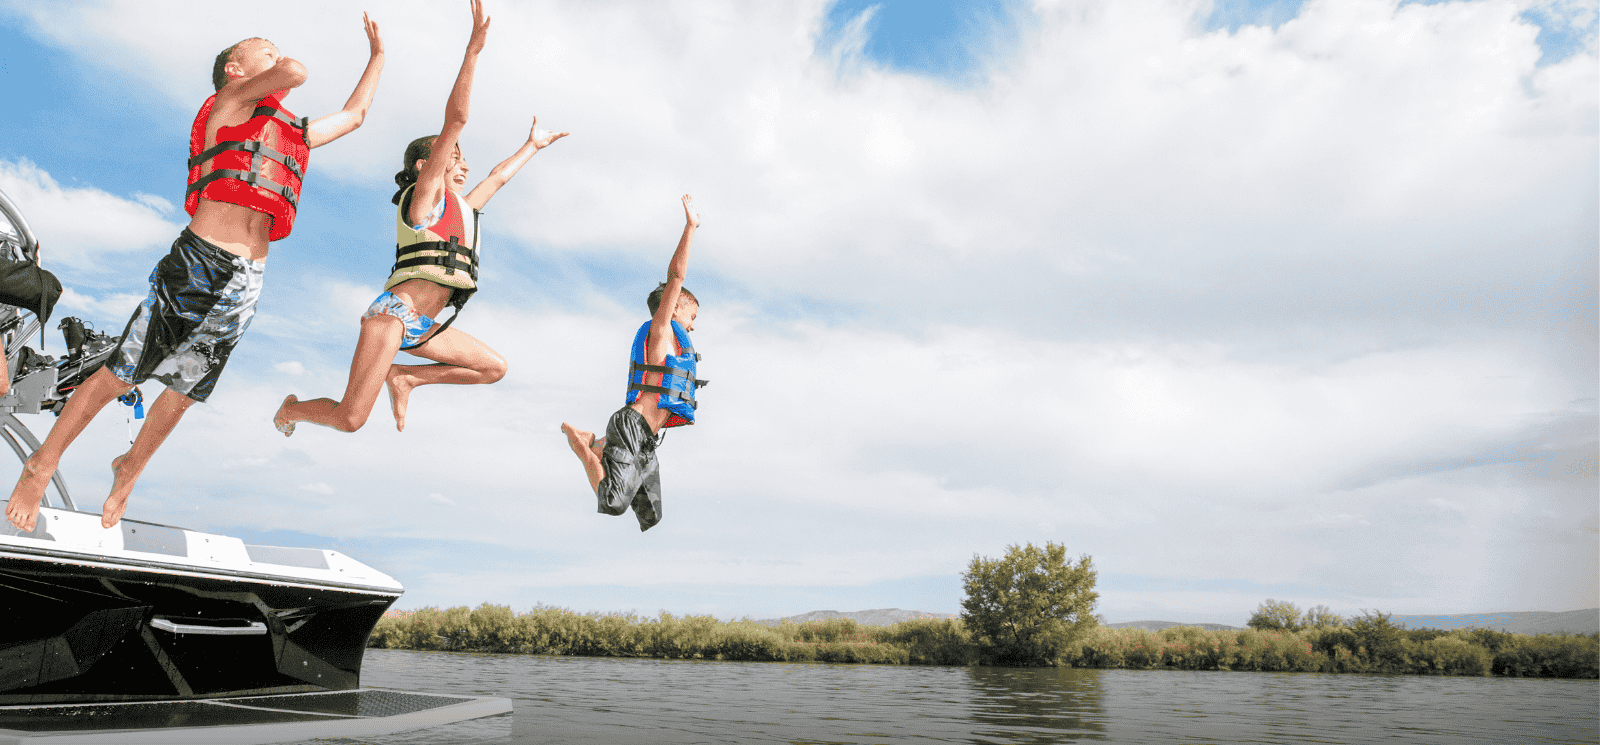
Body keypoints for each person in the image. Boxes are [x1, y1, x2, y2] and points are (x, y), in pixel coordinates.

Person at [5, 15, 386, 532]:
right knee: (123, 372)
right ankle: (40, 463)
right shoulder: (228, 106)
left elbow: (356, 115)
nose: (277, 58)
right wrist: (282, 65)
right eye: (264, 53)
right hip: (200, 264)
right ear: (236, 69)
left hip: (248, 279)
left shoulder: (290, 132)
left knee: (187, 387)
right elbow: (293, 72)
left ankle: (129, 466)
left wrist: (378, 56)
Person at [273, 0, 565, 437]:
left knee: (492, 368)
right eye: (454, 158)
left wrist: (532, 147)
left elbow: (498, 178)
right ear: (428, 165)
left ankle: (405, 376)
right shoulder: (424, 199)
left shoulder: (462, 208)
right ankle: (291, 410)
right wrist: (472, 52)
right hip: (393, 316)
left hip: (424, 327)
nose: (463, 166)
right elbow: (457, 118)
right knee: (350, 419)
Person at [562, 195, 704, 532]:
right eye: (691, 315)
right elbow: (676, 278)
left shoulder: (674, 346)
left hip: (645, 439)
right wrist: (690, 228)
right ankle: (583, 445)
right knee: (612, 503)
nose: (694, 325)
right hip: (632, 426)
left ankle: (601, 445)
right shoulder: (660, 332)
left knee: (651, 516)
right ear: (673, 309)